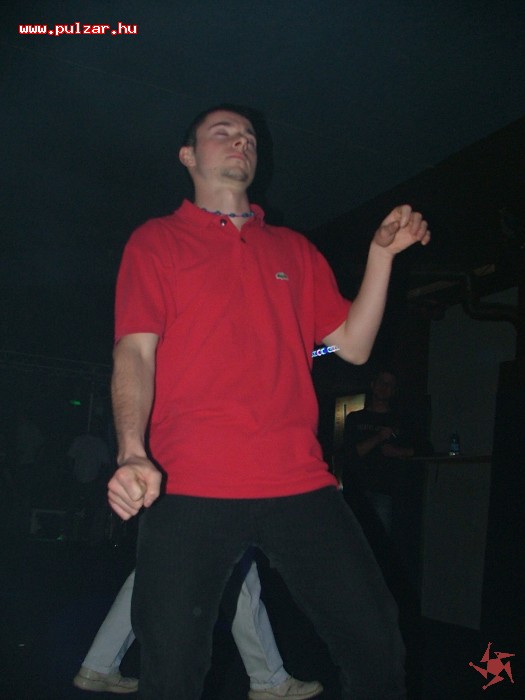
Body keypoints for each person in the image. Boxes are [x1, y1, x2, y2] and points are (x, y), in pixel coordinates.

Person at [107, 104, 430, 699]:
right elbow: (135, 352)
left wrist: (382, 257)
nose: (241, 141)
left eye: (250, 137)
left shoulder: (294, 249)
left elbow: (354, 345)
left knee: (377, 644)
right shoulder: (156, 241)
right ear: (188, 155)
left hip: (298, 482)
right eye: (223, 132)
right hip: (188, 483)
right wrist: (131, 451)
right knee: (171, 671)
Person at [73, 561, 323, 697]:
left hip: (179, 488)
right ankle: (269, 678)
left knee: (155, 567)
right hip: (207, 488)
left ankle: (99, 664)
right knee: (238, 563)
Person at [342, 369, 415, 536]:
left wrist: (398, 451)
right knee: (354, 541)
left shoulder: (399, 420)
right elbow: (350, 453)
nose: (384, 387)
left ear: (394, 390)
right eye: (382, 382)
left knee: (380, 540)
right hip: (356, 491)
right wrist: (379, 437)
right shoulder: (355, 419)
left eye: (389, 384)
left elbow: (422, 448)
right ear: (373, 385)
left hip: (385, 491)